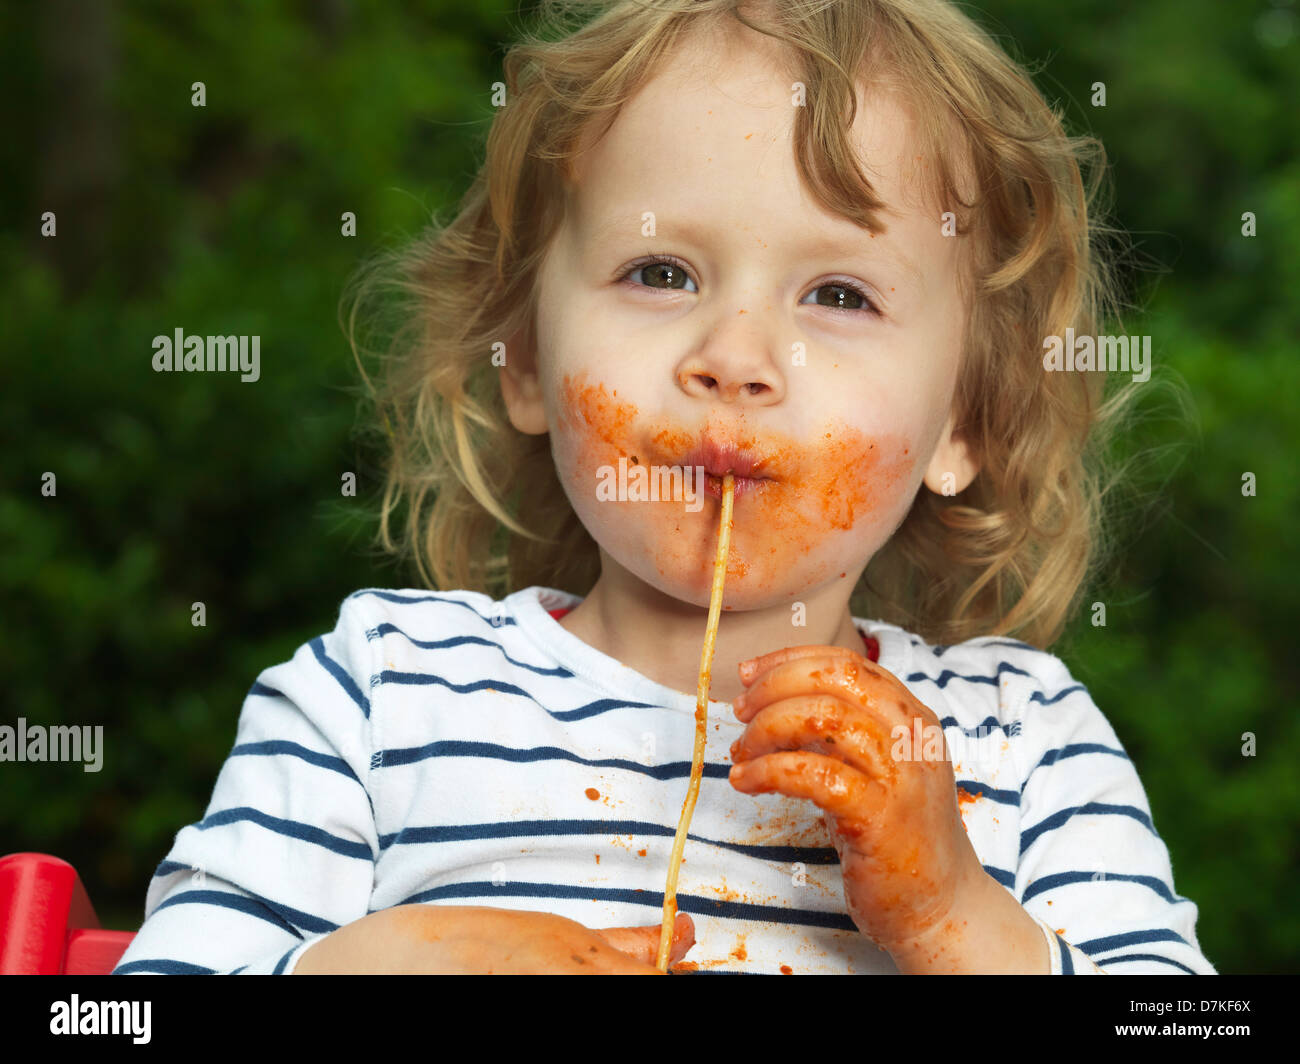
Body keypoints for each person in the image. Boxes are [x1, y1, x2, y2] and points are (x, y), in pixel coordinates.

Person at [112, 0, 1215, 974]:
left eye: (837, 293)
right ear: (528, 360)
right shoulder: (380, 696)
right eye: (658, 271)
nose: (733, 355)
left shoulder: (1022, 741)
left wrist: (955, 916)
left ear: (964, 418)